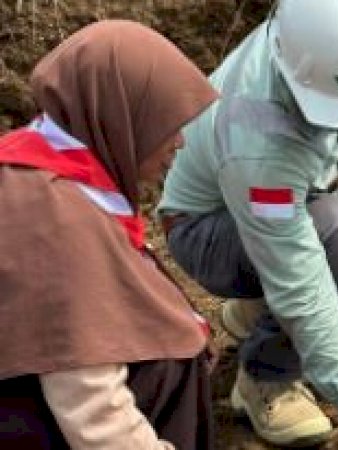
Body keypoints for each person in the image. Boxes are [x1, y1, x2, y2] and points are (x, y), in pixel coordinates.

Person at [157, 0, 338, 448]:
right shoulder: (255, 130)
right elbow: (299, 279)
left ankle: (257, 311)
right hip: (206, 228)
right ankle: (265, 378)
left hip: (306, 204)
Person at [0, 20, 218, 450]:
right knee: (169, 362)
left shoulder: (40, 160)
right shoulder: (56, 218)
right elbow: (89, 401)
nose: (179, 143)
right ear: (120, 116)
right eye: (163, 124)